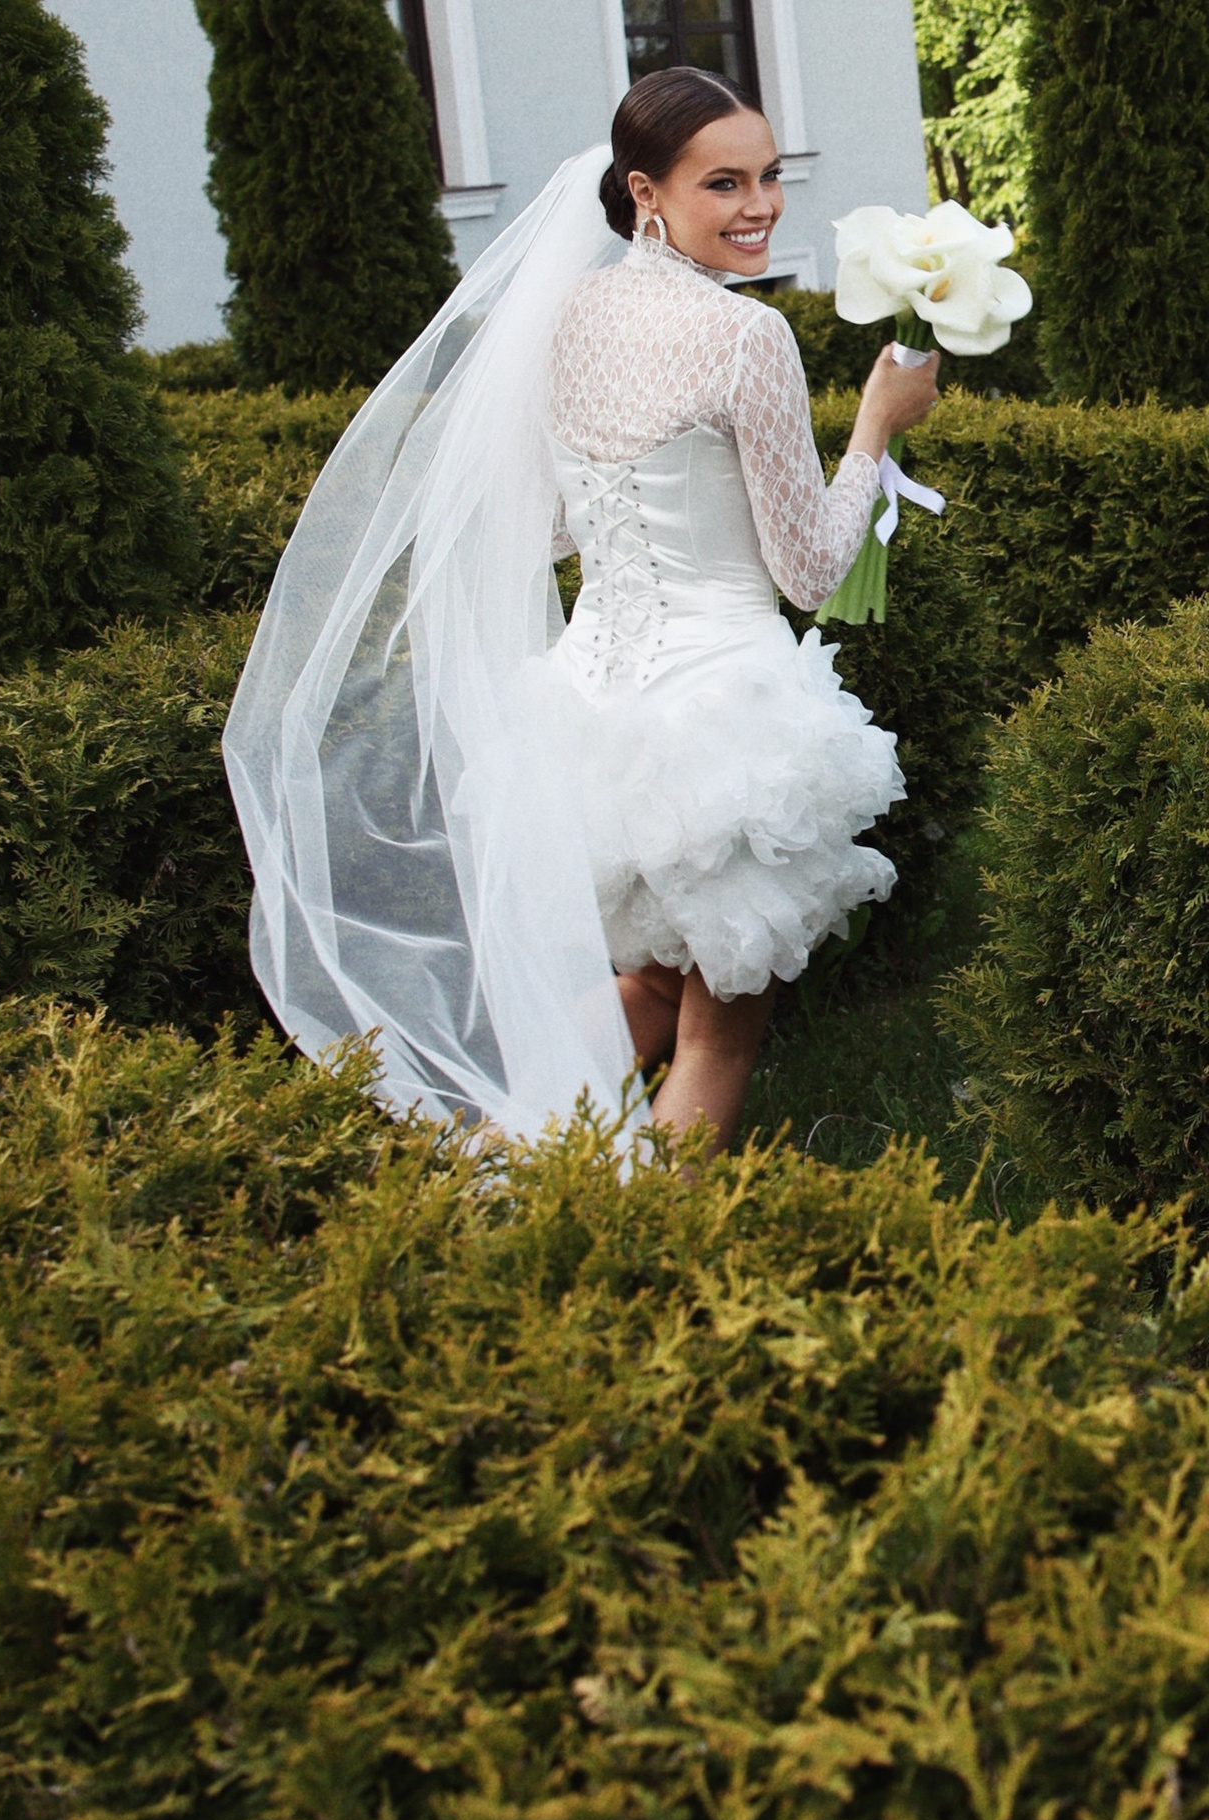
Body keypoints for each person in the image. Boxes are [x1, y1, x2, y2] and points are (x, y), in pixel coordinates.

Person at [228, 67, 936, 1152]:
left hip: (589, 717)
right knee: (720, 1033)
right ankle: (650, 1251)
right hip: (723, 722)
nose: (759, 205)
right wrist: (877, 428)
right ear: (646, 191)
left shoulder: (567, 314)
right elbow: (812, 571)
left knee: (652, 980)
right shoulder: (750, 339)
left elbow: (551, 525)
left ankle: (487, 1158)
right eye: (724, 182)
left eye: (770, 175)